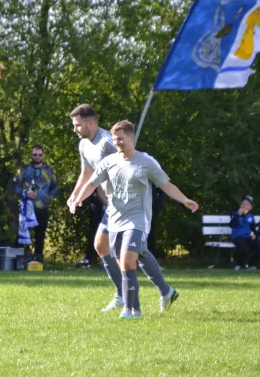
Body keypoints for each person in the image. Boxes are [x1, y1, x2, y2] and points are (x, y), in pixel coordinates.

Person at [70, 120, 198, 318]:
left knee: (129, 261)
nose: (117, 143)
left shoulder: (146, 162)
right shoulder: (109, 162)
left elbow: (166, 185)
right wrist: (77, 199)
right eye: (114, 140)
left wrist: (185, 200)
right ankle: (162, 294)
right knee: (125, 262)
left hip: (138, 219)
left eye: (120, 139)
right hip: (115, 220)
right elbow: (91, 183)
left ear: (131, 137)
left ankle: (132, 310)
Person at [67, 104, 122, 311]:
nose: (75, 130)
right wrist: (74, 196)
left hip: (125, 203)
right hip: (112, 204)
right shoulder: (84, 144)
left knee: (128, 252)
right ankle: (125, 295)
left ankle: (154, 291)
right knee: (102, 246)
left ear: (91, 123)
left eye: (78, 125)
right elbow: (87, 173)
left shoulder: (108, 143)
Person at [13, 145, 58, 261]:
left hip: (42, 207)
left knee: (40, 234)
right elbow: (15, 186)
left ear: (43, 155)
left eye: (40, 155)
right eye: (35, 154)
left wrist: (49, 198)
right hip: (27, 207)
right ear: (31, 155)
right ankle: (18, 260)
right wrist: (24, 193)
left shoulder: (49, 170)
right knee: (22, 233)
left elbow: (55, 188)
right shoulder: (23, 169)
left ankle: (38, 259)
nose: (37, 157)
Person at [229, 195, 260, 270]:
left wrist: (254, 234)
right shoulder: (235, 213)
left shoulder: (251, 216)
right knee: (244, 249)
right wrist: (238, 215)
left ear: (250, 207)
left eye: (247, 204)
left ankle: (251, 265)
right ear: (240, 205)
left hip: (248, 237)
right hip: (237, 236)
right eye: (243, 204)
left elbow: (253, 228)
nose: (245, 206)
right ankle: (238, 264)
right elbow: (231, 225)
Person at [77, 188, 106, 268]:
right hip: (99, 211)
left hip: (109, 212)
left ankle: (106, 261)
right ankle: (90, 260)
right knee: (94, 235)